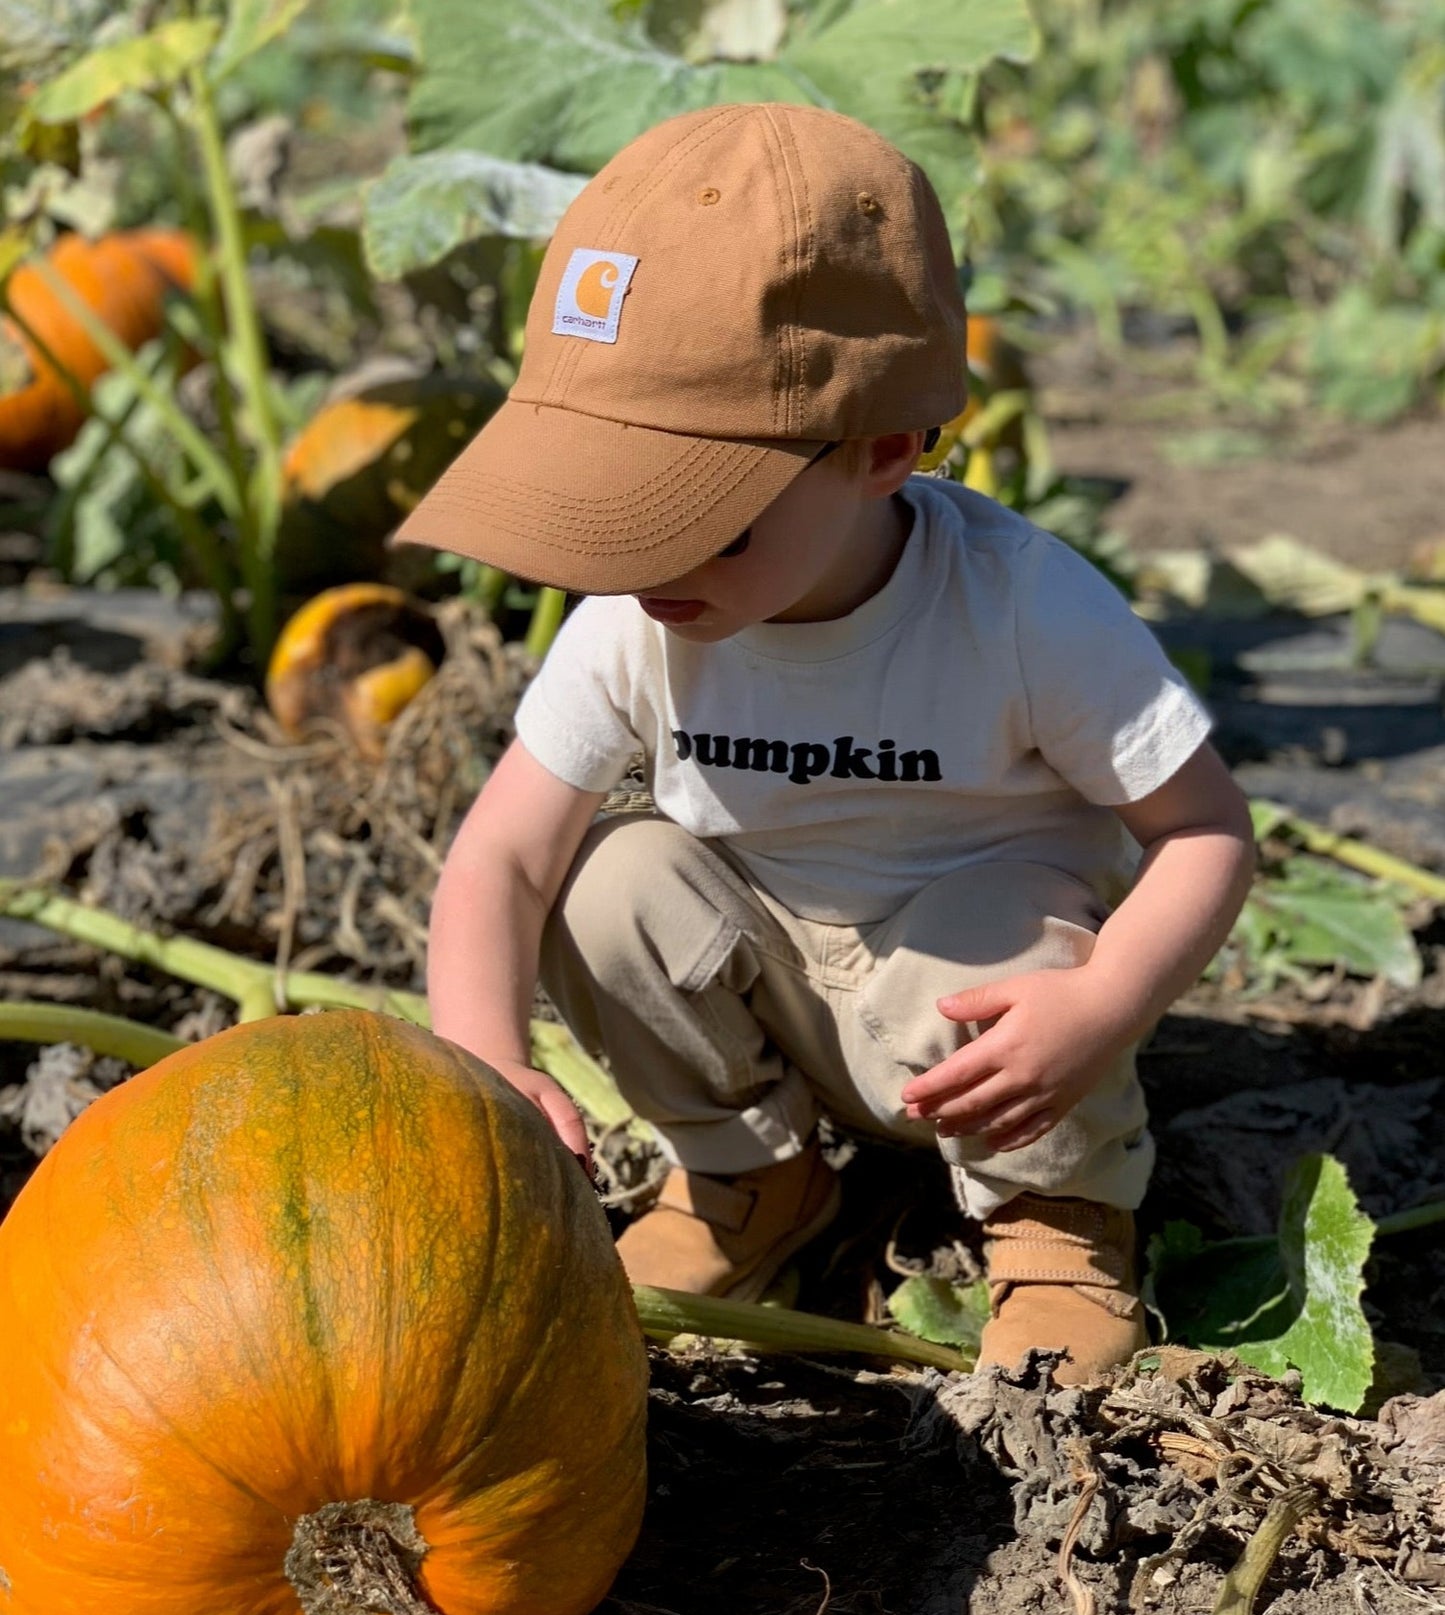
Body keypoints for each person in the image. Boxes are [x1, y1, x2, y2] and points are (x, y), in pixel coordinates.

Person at [394, 101, 1256, 1385]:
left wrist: (1102, 1003)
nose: (650, 565)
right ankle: (753, 1177)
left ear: (884, 449)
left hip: (988, 1021)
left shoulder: (1020, 606)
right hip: (782, 989)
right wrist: (485, 1063)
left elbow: (1203, 830)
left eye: (704, 518)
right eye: (614, 515)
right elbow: (502, 859)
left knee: (990, 928)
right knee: (605, 884)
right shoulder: (639, 619)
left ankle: (1056, 1219)